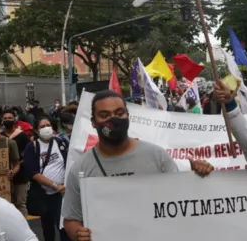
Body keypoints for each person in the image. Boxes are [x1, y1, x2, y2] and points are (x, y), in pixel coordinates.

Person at [62, 90, 214, 241]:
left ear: (128, 116)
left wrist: (198, 177)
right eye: (104, 115)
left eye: (119, 113)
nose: (113, 119)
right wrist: (78, 234)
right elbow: (71, 219)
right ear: (93, 122)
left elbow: (182, 202)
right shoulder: (80, 169)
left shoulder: (156, 156)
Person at [23, 116, 70, 241]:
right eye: (42, 126)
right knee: (47, 227)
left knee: (64, 226)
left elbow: (69, 162)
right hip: (43, 195)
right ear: (37, 131)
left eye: (48, 125)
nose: (46, 128)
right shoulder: (32, 147)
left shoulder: (61, 142)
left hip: (61, 194)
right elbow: (33, 173)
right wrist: (55, 185)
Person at [1, 110, 31, 216]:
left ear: (15, 119)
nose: (7, 120)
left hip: (20, 175)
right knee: (7, 204)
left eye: (10, 118)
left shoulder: (22, 136)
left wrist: (18, 163)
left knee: (20, 203)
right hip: (4, 176)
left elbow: (29, 153)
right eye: (5, 118)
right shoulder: (0, 136)